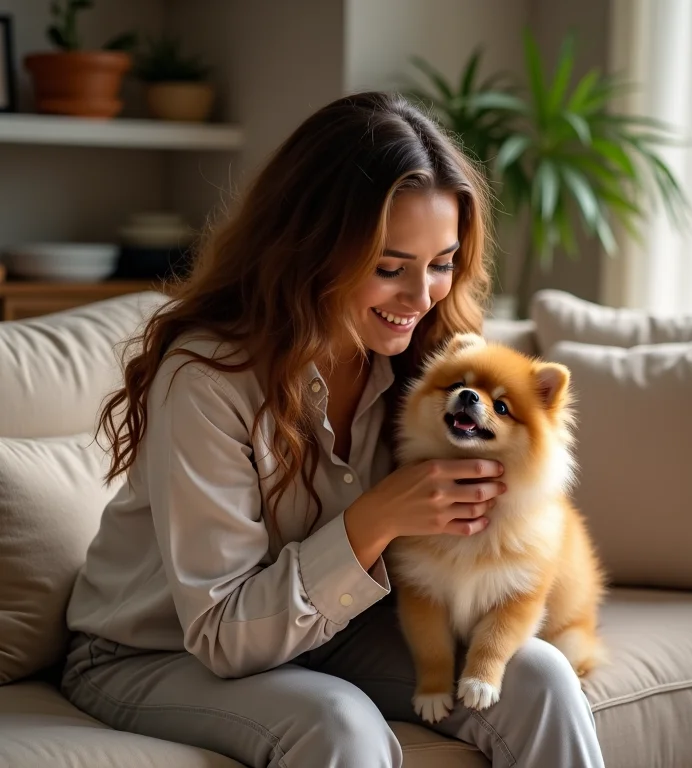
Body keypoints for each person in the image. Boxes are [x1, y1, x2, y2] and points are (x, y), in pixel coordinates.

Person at [61, 91, 605, 768]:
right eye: (389, 268)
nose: (422, 297)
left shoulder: (428, 364)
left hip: (332, 631)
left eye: (442, 264)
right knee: (340, 724)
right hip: (155, 651)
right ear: (310, 250)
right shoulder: (208, 379)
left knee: (541, 677)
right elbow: (224, 635)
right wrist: (375, 518)